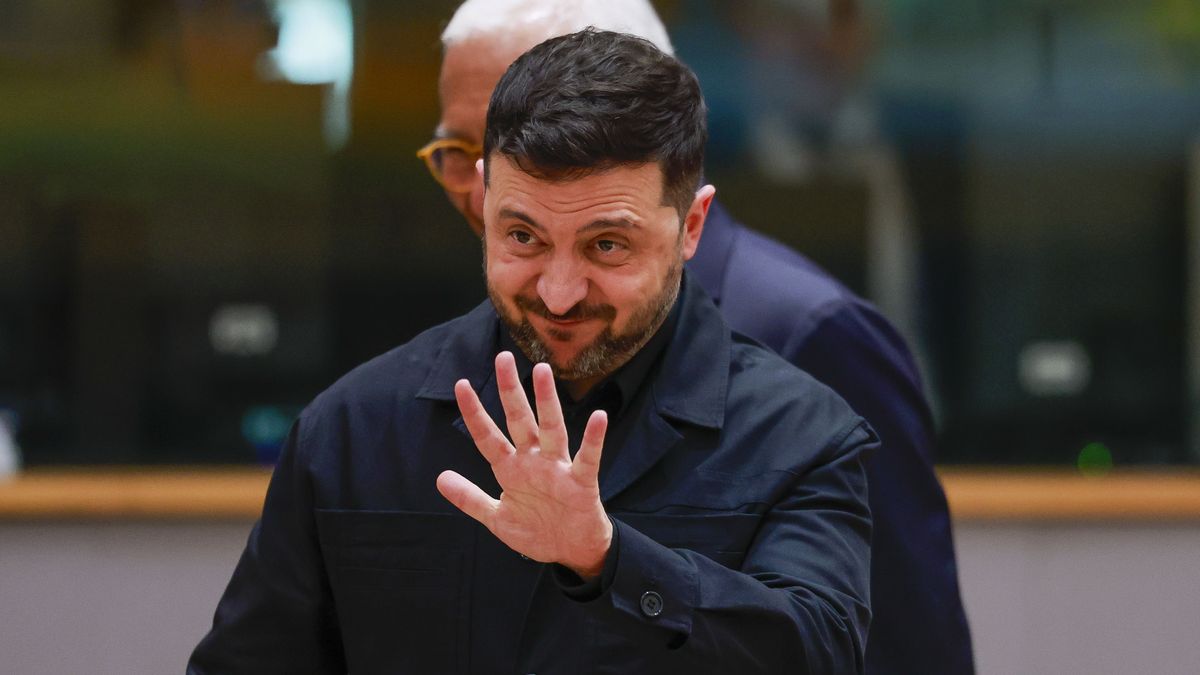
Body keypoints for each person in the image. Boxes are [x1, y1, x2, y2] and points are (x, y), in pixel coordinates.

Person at [190, 29, 875, 674]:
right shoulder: (351, 429)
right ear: (484, 199)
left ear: (690, 225)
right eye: (523, 237)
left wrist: (608, 559)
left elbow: (817, 653)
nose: (558, 291)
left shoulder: (804, 438)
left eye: (607, 245)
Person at [422, 1, 974, 673]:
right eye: (463, 151)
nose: (489, 183)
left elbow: (901, 645)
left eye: (553, 125)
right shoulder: (469, 342)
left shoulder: (807, 334)